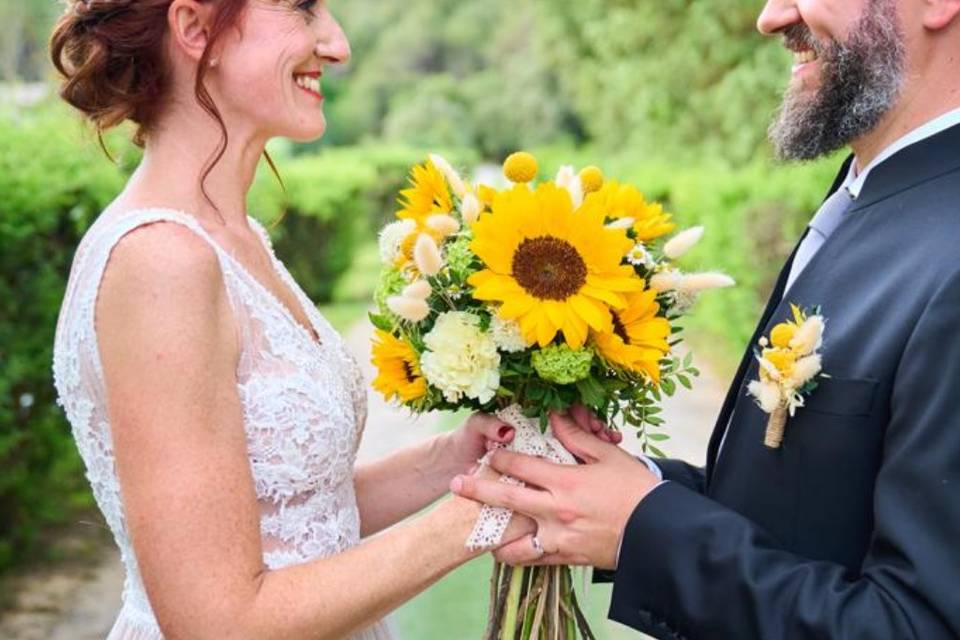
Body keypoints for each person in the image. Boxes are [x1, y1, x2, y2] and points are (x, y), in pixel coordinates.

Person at [452, 0, 960, 637]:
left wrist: (646, 529)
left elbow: (918, 625)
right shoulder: (866, 194)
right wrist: (632, 488)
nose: (771, 17)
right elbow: (812, 509)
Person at [49, 1, 540, 638]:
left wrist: (455, 459)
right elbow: (216, 622)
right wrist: (484, 517)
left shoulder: (236, 237)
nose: (336, 45)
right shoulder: (162, 262)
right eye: (302, 8)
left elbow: (298, 522)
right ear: (196, 29)